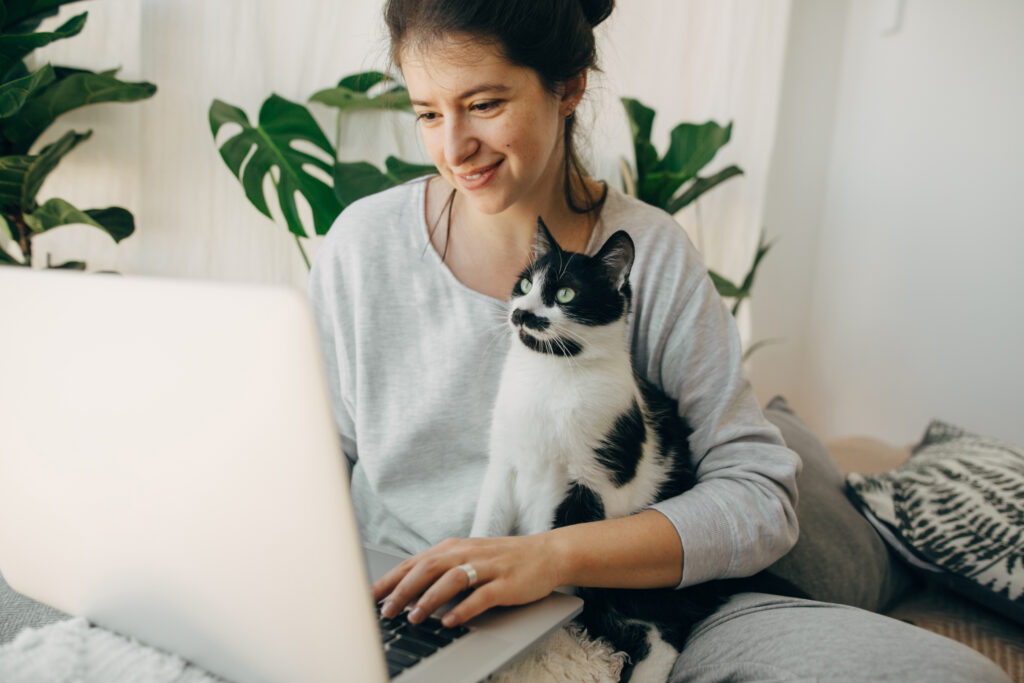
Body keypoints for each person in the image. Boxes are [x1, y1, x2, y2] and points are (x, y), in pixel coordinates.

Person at [306, 1, 1012, 681]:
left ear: (568, 86)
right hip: (415, 608)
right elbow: (307, 465)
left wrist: (550, 557)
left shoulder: (653, 253)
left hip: (631, 599)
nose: (453, 147)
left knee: (947, 673)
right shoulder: (363, 248)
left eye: (484, 104)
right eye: (427, 112)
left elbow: (759, 495)